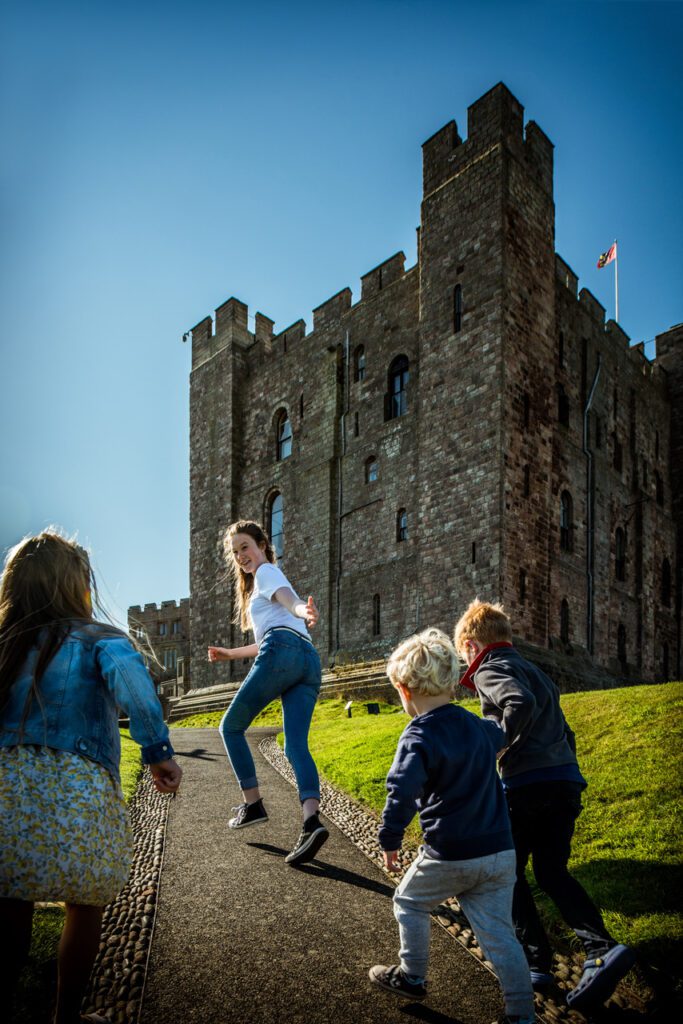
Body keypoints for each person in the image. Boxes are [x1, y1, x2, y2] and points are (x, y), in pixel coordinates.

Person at [0, 529, 182, 1024]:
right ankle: (66, 1016)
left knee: (12, 901)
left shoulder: (6, 645)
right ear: (79, 586)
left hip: (7, 794)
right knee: (84, 904)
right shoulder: (100, 638)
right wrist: (158, 752)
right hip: (77, 790)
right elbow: (137, 692)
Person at [453, 598, 634, 1013]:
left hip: (527, 785)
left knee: (508, 871)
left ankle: (536, 960)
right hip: (564, 783)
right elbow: (565, 732)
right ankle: (601, 948)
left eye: (464, 652)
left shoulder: (490, 668)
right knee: (552, 872)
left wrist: (494, 747)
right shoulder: (538, 671)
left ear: (469, 645)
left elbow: (518, 703)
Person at [368, 628, 535, 1024]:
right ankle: (521, 1015)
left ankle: (412, 975)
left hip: (451, 851)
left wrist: (389, 838)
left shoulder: (418, 735)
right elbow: (499, 731)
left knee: (409, 901)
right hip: (499, 851)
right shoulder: (478, 728)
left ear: (404, 690)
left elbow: (401, 791)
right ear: (451, 683)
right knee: (499, 936)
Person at [208, 519, 328, 866]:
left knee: (230, 727)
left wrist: (304, 610)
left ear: (262, 544)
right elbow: (267, 639)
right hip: (307, 661)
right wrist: (230, 654)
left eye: (245, 547)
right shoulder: (262, 584)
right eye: (235, 553)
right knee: (294, 745)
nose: (241, 556)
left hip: (284, 652)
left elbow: (289, 603)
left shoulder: (266, 573)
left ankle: (253, 803)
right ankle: (311, 822)